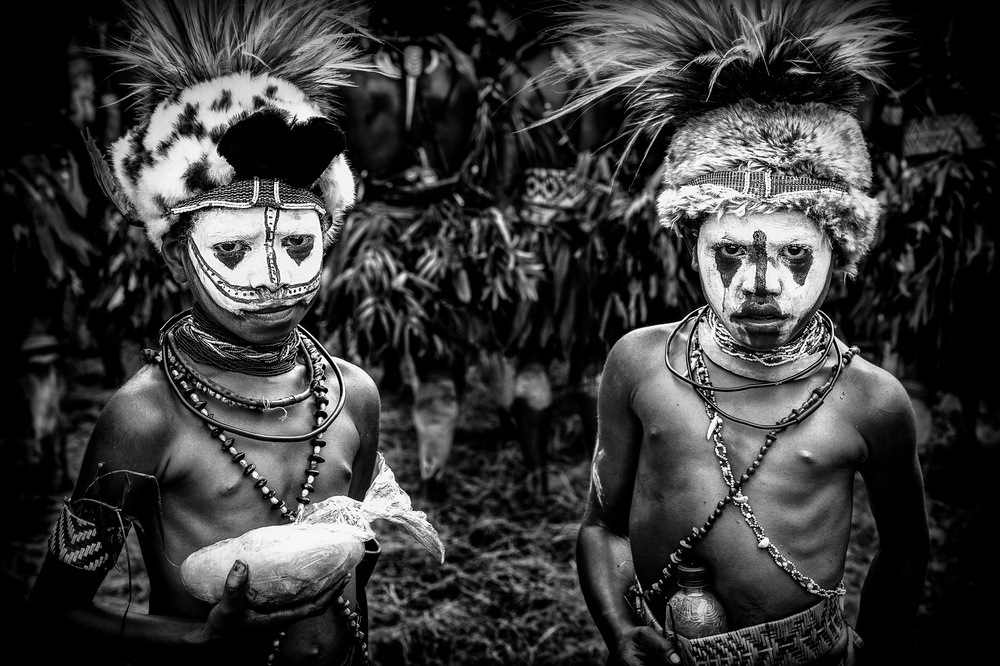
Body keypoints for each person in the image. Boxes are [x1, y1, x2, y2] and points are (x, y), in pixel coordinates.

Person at [23, 2, 443, 664]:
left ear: (328, 236)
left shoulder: (351, 395)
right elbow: (53, 614)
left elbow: (355, 574)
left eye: (299, 243)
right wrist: (193, 640)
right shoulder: (145, 416)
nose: (273, 278)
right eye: (232, 249)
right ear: (173, 256)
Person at [538, 1, 931, 664]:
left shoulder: (869, 401)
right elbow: (603, 527)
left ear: (842, 250)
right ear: (689, 243)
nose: (759, 283)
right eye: (729, 253)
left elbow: (906, 549)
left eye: (795, 254)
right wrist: (621, 630)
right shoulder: (640, 365)